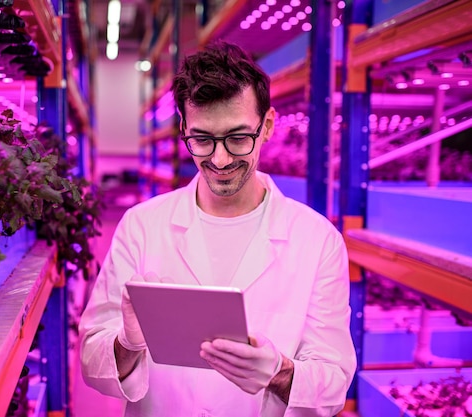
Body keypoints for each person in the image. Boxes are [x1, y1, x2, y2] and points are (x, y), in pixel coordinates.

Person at [78, 40, 357, 416]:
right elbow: (92, 364)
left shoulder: (317, 240)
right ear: (183, 128)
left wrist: (279, 371)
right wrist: (128, 342)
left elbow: (333, 385)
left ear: (268, 126)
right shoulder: (142, 226)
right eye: (202, 140)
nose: (220, 159)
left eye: (238, 138)